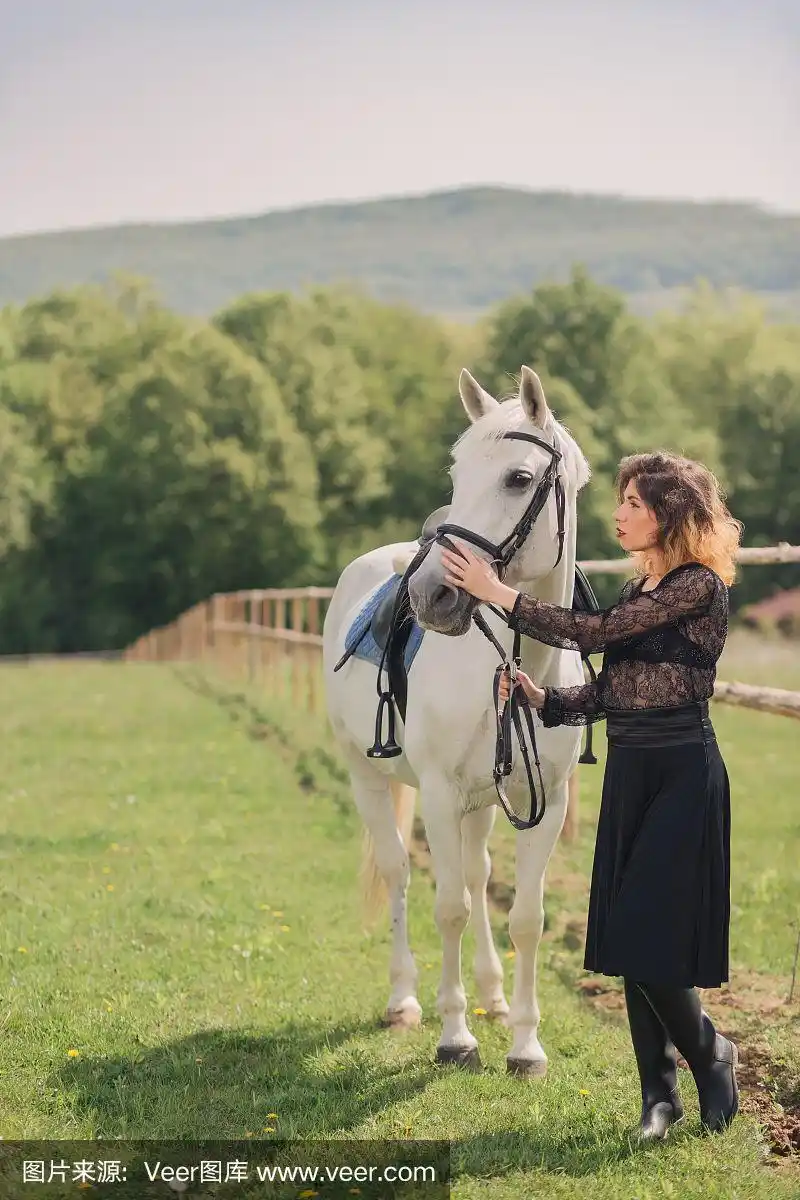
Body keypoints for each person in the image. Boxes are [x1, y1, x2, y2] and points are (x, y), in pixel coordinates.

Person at [440, 451, 744, 1141]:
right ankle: (658, 1098)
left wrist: (501, 593)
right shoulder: (645, 588)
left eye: (634, 502)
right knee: (630, 935)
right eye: (622, 501)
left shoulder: (696, 587)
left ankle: (710, 1054)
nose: (620, 514)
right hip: (631, 770)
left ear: (668, 512)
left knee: (643, 933)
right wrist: (543, 697)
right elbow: (613, 688)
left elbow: (594, 633)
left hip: (681, 770)